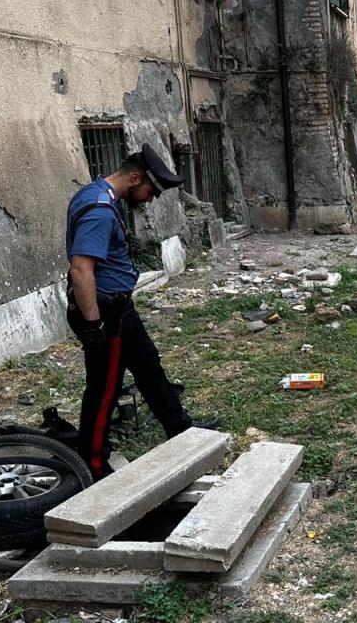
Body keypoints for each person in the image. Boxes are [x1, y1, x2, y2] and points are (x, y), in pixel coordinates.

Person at [65, 144, 217, 478]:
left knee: (148, 365)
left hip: (119, 308)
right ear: (135, 178)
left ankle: (181, 429)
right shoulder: (100, 210)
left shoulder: (96, 193)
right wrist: (94, 328)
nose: (150, 199)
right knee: (105, 389)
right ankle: (93, 465)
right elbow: (81, 269)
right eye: (150, 191)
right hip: (104, 314)